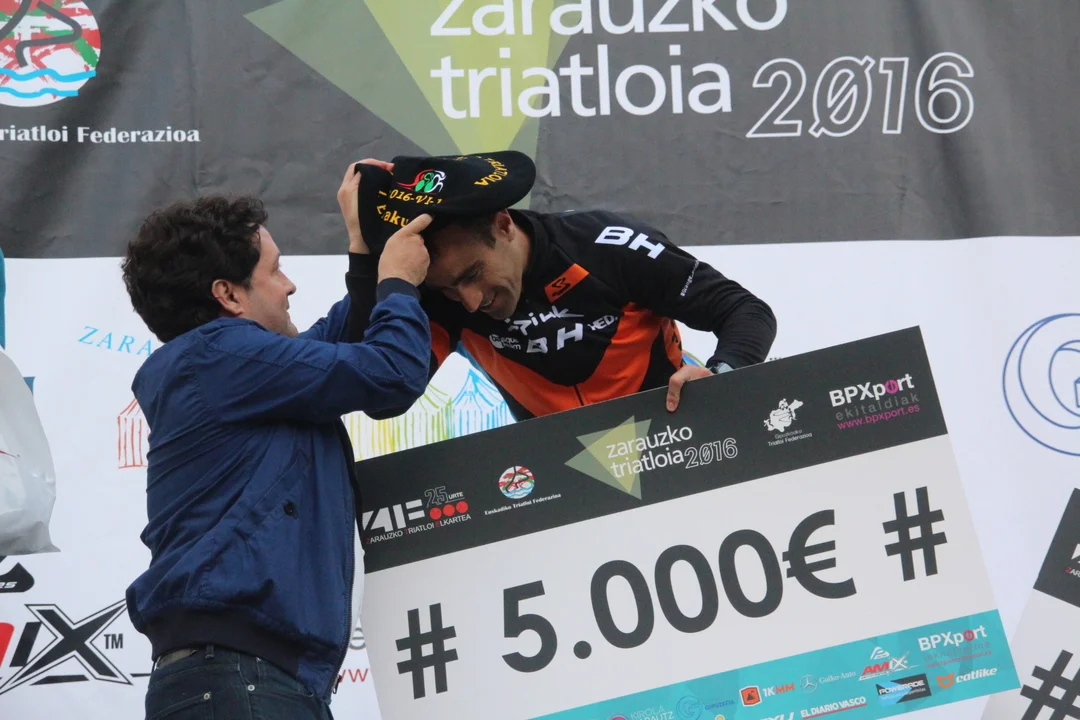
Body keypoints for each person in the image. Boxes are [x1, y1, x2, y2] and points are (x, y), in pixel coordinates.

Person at [120, 162, 432, 720]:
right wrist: (398, 283)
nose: (289, 285)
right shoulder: (221, 356)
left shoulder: (230, 369)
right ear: (228, 295)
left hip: (248, 677)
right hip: (241, 678)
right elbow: (392, 372)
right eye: (275, 269)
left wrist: (364, 252)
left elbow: (333, 347)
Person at [344, 151, 776, 421]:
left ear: (503, 224)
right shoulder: (436, 297)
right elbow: (383, 399)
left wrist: (722, 375)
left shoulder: (605, 244)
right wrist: (365, 257)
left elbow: (745, 311)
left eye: (472, 274)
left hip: (674, 442)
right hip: (555, 485)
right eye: (451, 290)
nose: (470, 302)